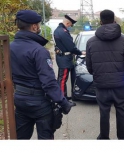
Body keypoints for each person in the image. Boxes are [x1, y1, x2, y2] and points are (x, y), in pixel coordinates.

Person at [10, 10, 75, 139]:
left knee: (21, 139)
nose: (39, 27)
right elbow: (49, 83)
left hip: (20, 99)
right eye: (38, 25)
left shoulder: (10, 46)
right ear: (34, 27)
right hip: (39, 102)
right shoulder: (38, 50)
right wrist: (63, 102)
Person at [86, 9, 124, 139]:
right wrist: (122, 74)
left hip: (101, 85)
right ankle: (123, 138)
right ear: (114, 20)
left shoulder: (90, 42)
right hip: (120, 85)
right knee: (121, 112)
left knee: (104, 113)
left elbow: (89, 67)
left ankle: (104, 138)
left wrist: (98, 75)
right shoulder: (123, 40)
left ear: (100, 21)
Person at [53, 15, 86, 100]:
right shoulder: (63, 32)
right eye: (70, 25)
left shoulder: (58, 30)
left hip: (64, 58)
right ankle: (62, 99)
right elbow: (71, 47)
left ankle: (64, 97)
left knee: (62, 79)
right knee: (62, 79)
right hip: (64, 59)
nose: (70, 27)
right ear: (67, 23)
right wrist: (80, 52)